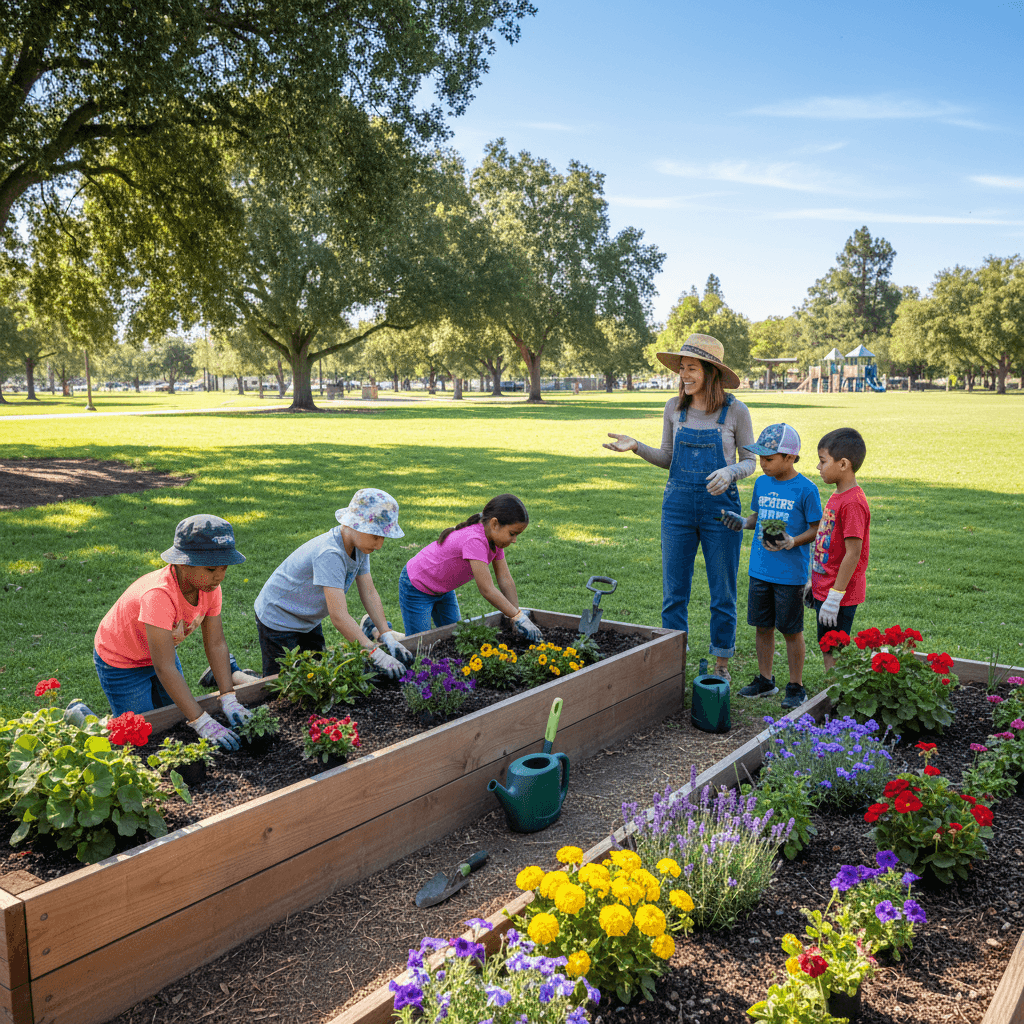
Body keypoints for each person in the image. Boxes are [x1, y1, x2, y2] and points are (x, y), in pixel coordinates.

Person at [604, 334, 755, 680]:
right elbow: (668, 458)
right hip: (678, 508)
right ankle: (674, 661)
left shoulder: (736, 410)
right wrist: (637, 447)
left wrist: (731, 471)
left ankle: (721, 665)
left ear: (710, 371)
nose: (684, 375)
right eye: (682, 369)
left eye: (692, 368)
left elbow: (750, 461)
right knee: (674, 593)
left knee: (723, 592)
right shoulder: (674, 408)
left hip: (722, 511)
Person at [91, 514, 253, 750]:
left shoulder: (209, 587)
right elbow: (164, 667)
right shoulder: (159, 596)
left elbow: (216, 643)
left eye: (224, 567)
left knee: (175, 718)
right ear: (183, 562)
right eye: (210, 569)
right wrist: (202, 721)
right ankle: (82, 718)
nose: (219, 576)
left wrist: (228, 697)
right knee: (141, 734)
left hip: (159, 653)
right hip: (121, 662)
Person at [254, 488, 411, 679]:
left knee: (318, 676)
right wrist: (373, 652)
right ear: (356, 524)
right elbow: (338, 616)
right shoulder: (330, 554)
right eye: (375, 536)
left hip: (307, 618)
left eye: (383, 538)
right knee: (281, 686)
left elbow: (369, 592)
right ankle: (237, 675)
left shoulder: (360, 547)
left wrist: (386, 634)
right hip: (279, 617)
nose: (379, 545)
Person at [721, 423, 822, 709]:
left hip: (789, 575)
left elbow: (817, 528)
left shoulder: (806, 489)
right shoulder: (762, 483)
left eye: (769, 459)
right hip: (760, 569)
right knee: (762, 626)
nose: (762, 464)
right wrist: (742, 522)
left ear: (790, 458)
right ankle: (766, 680)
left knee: (791, 630)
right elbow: (759, 516)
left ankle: (796, 685)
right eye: (761, 458)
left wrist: (793, 541)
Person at [399, 493, 542, 641]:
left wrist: (516, 616)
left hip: (443, 589)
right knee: (419, 643)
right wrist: (517, 616)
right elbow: (487, 589)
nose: (514, 540)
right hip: (417, 586)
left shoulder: (495, 541)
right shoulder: (475, 541)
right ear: (494, 524)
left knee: (454, 637)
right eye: (512, 534)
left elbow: (504, 578)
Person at [811, 427, 871, 671]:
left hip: (838, 594)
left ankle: (835, 701)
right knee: (826, 646)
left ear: (843, 464)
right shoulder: (838, 495)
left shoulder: (853, 503)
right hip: (823, 589)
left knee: (834, 652)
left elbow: (853, 553)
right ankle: (832, 696)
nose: (818, 467)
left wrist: (835, 597)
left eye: (823, 461)